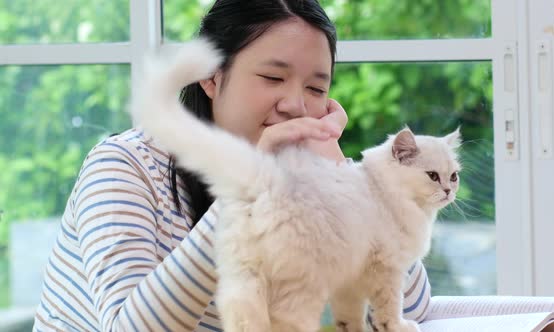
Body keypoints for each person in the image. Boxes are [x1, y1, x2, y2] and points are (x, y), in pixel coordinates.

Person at [33, 1, 431, 331]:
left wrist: (343, 172)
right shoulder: (123, 168)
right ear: (211, 76)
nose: (296, 105)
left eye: (316, 88)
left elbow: (406, 312)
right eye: (273, 77)